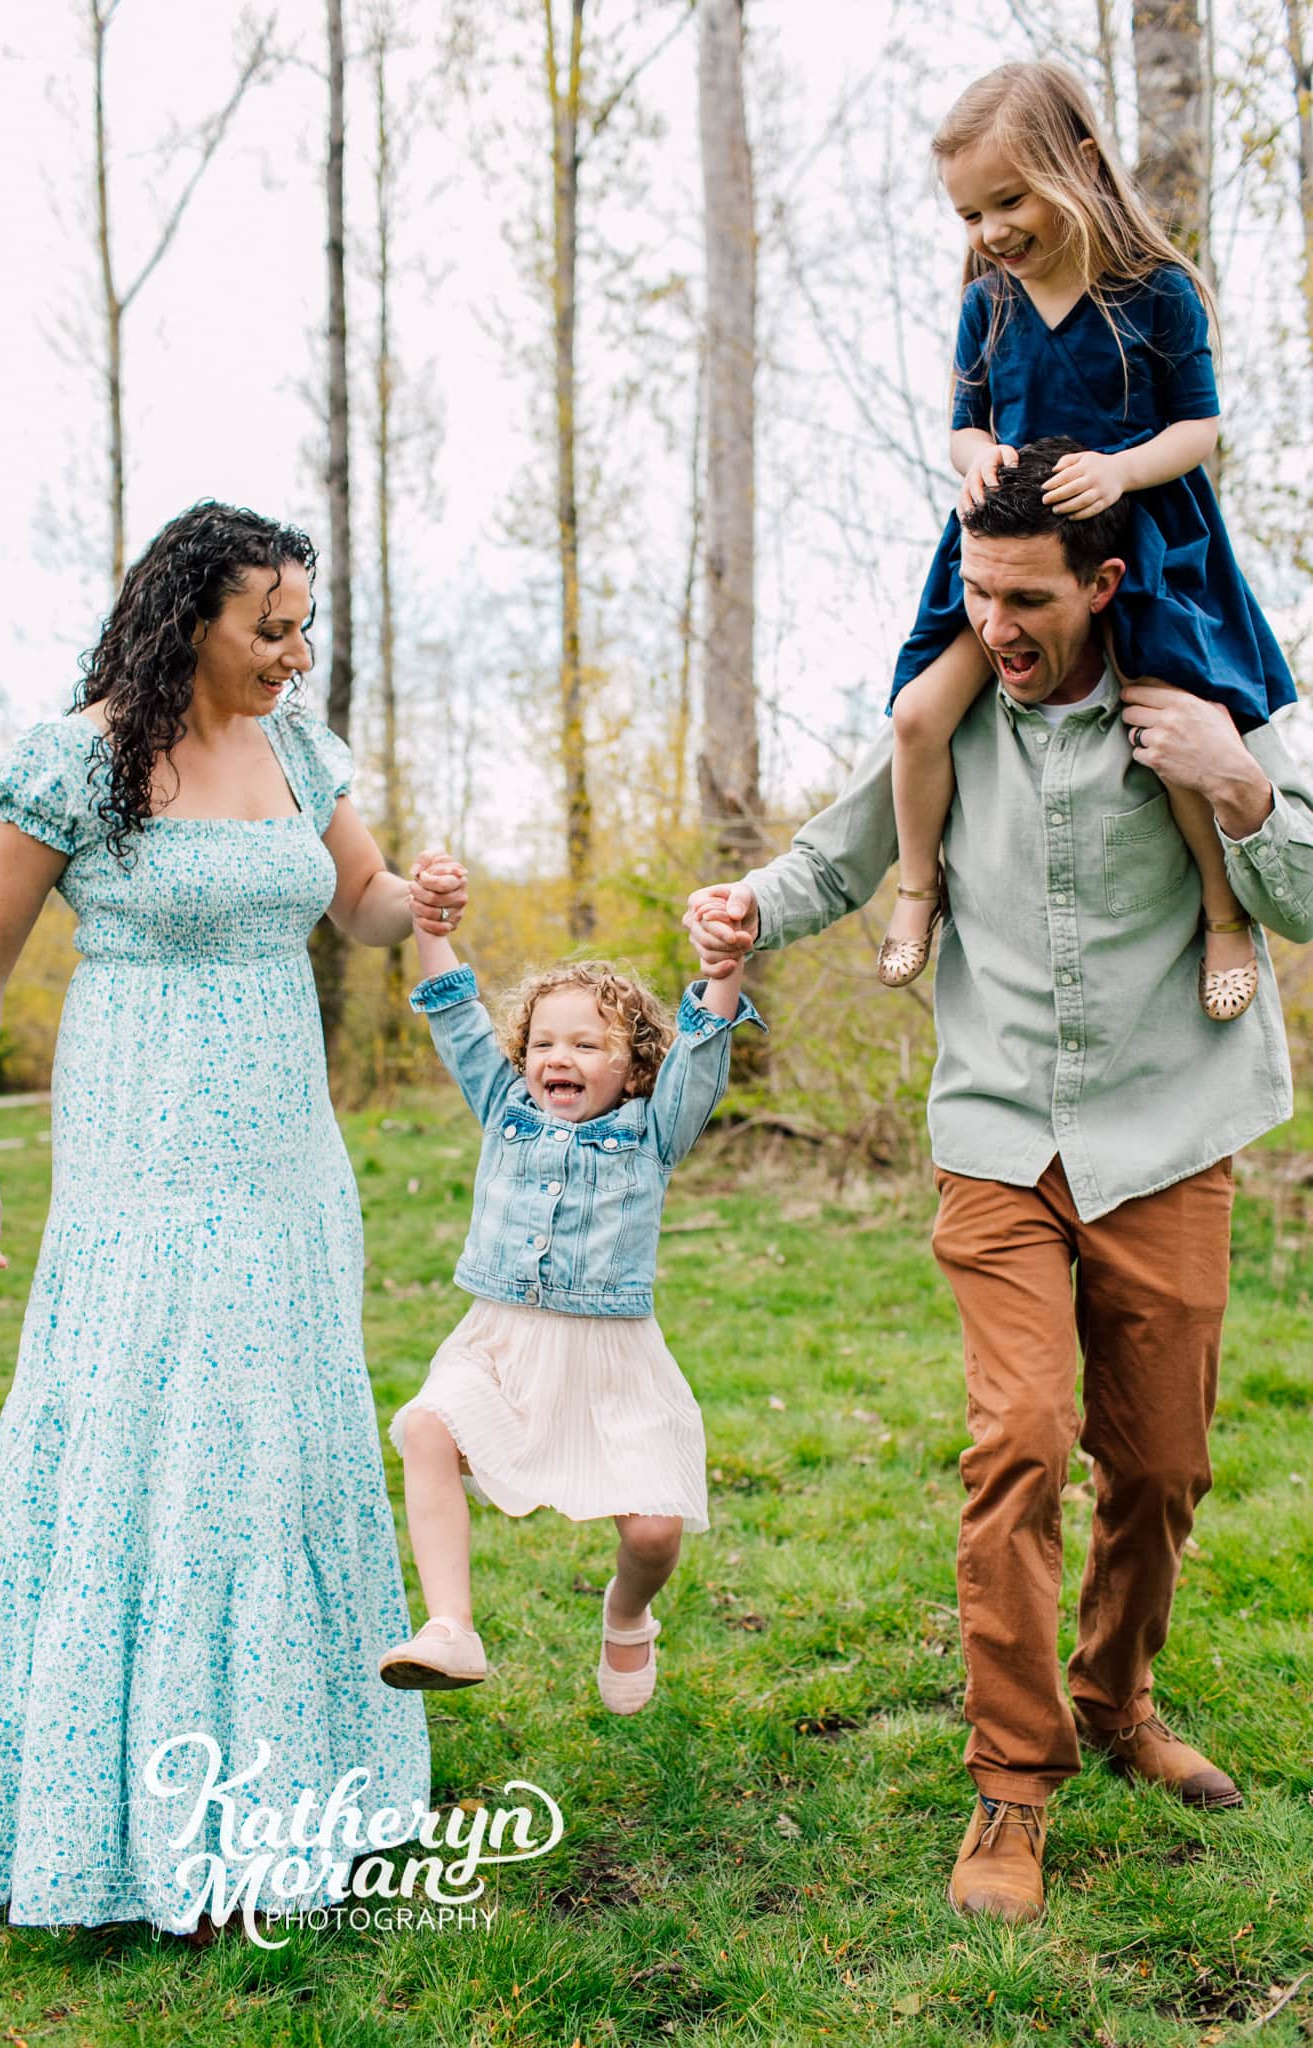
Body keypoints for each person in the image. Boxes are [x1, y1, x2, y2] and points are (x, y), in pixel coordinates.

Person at [685, 442, 1313, 1923]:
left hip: (1168, 1132)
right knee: (1021, 1441)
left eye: (1026, 600)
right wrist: (743, 909)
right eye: (976, 596)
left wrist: (1238, 787)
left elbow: (1302, 897)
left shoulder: (1205, 708)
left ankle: (1115, 1699)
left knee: (1159, 1468)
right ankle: (1012, 1784)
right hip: (997, 1138)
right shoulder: (952, 720)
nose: (998, 628)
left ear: (1103, 585)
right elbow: (836, 861)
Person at [0, 502, 465, 1934]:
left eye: (307, 625)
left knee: (273, 1434)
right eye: (272, 628)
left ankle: (302, 1774)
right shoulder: (76, 758)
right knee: (149, 1433)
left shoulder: (298, 745)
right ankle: (124, 1804)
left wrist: (412, 897)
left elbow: (354, 902)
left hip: (288, 1157)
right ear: (191, 622)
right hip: (142, 1160)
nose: (297, 655)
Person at [879, 60, 1296, 1022]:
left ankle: (1225, 915)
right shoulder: (988, 303)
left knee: (1168, 727)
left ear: (1078, 163)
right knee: (914, 715)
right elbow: (963, 423)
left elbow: (1198, 430)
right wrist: (974, 455)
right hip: (1008, 550)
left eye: (1009, 200)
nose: (991, 233)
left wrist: (1121, 469)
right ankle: (914, 892)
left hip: (1139, 541)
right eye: (970, 216)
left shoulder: (1153, 292)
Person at [376, 881, 761, 1715]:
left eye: (587, 1044)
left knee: (654, 1532)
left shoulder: (653, 1130)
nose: (560, 1057)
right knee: (429, 1431)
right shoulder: (502, 1105)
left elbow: (703, 1046)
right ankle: (450, 1628)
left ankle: (626, 1617)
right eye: (544, 1042)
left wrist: (723, 969)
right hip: (502, 1345)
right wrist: (429, 928)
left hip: (612, 1360)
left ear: (632, 1066)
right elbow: (454, 1018)